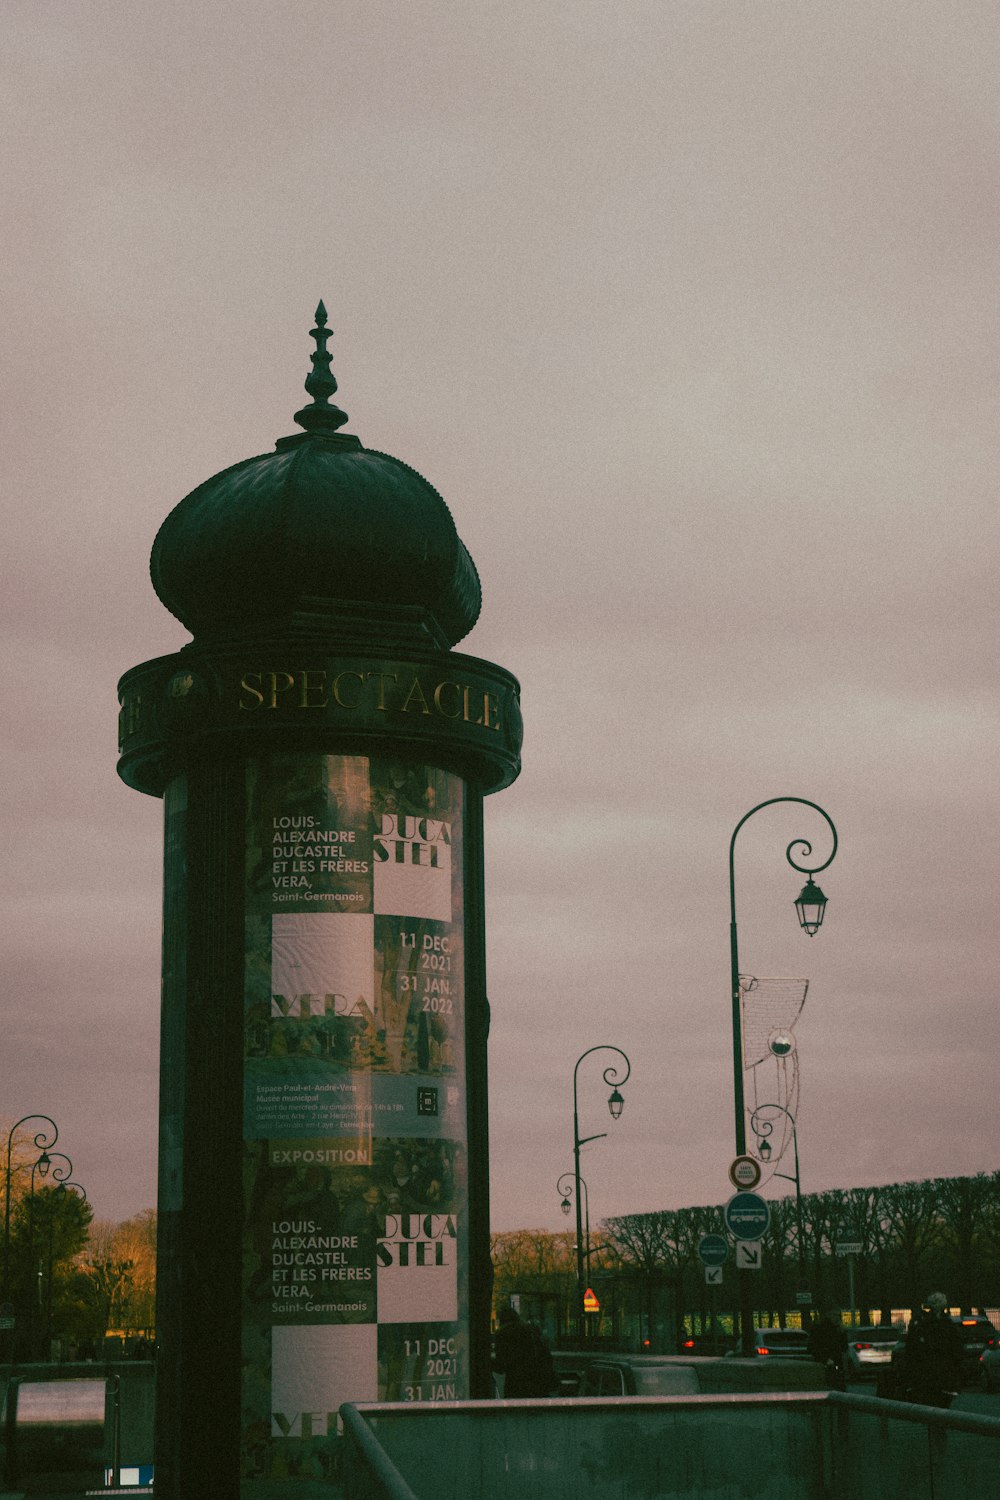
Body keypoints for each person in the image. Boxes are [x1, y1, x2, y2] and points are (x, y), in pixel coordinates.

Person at [900, 1293, 963, 1408]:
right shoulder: (948, 1324)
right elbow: (957, 1351)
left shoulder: (920, 1323)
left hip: (925, 1376)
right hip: (944, 1376)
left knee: (930, 1407)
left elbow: (911, 1350)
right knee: (941, 1408)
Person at [492, 1306, 556, 1397]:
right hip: (537, 1381)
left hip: (516, 1383)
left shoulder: (502, 1333)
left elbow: (500, 1366)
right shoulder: (530, 1329)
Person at [807, 1310, 847, 1389]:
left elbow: (843, 1347)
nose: (838, 1318)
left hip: (831, 1362)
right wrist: (825, 1359)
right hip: (827, 1363)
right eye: (835, 1315)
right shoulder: (824, 1330)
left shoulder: (836, 1329)